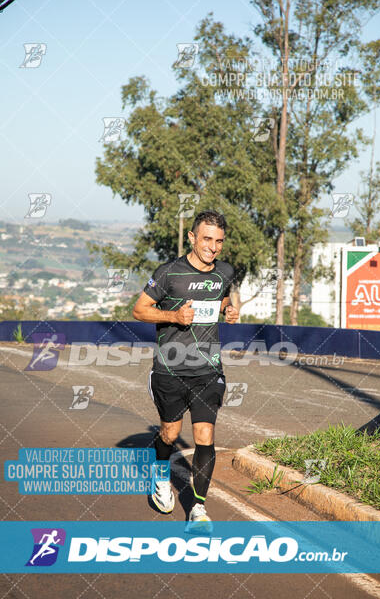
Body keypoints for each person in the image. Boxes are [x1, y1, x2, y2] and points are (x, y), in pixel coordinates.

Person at [132, 210, 239, 526]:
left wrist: (229, 310)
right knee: (170, 432)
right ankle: (161, 475)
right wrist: (174, 317)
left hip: (208, 371)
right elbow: (140, 310)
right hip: (170, 370)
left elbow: (221, 299)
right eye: (207, 239)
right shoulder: (168, 273)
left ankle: (198, 508)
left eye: (219, 241)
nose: (213, 247)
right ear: (192, 237)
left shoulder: (224, 272)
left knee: (205, 435)